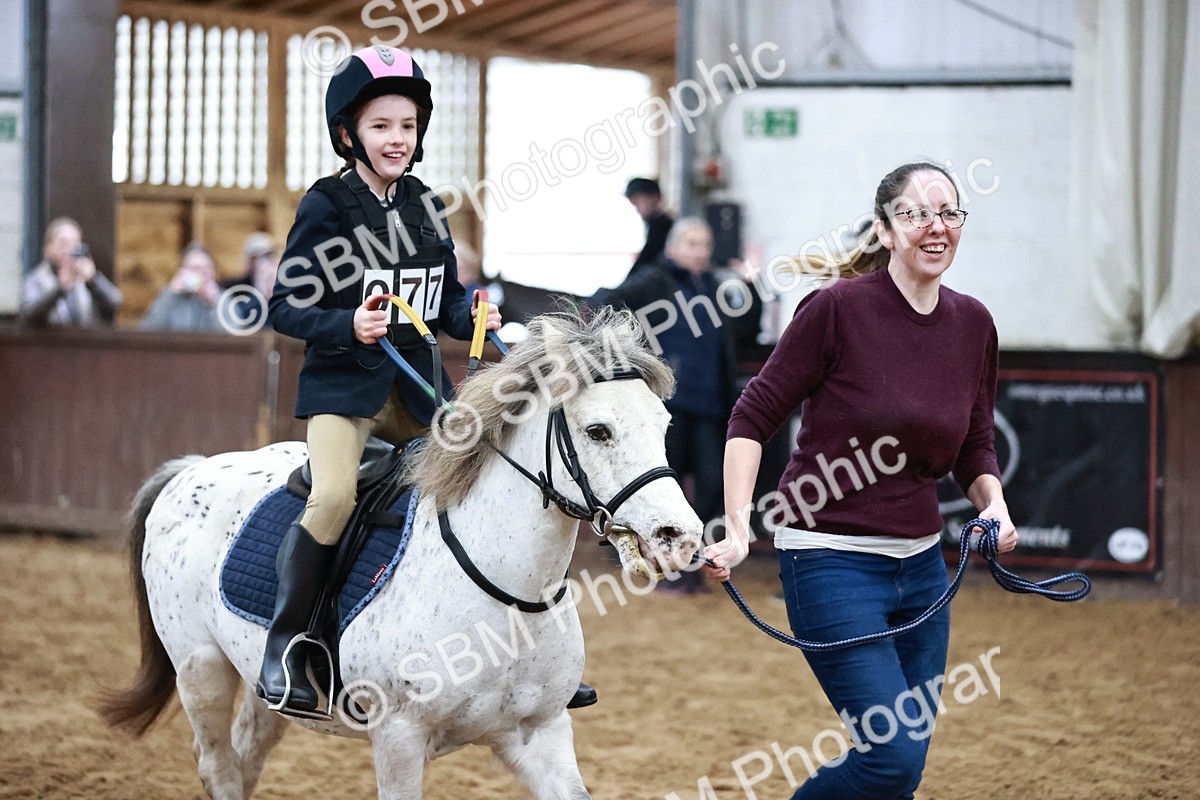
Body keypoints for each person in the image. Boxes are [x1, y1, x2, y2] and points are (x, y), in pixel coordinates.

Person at [703, 162, 1020, 799]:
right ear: (885, 228)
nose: (935, 227)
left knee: (899, 772)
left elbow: (977, 442)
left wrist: (996, 506)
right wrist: (738, 526)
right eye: (915, 214)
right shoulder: (836, 309)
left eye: (948, 213)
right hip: (830, 561)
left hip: (924, 571)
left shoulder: (974, 323)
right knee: (891, 761)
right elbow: (751, 416)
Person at [261, 44, 511, 717]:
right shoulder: (326, 206)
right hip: (348, 391)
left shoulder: (429, 204)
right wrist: (350, 326)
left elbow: (448, 306)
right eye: (381, 127)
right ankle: (287, 644)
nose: (397, 138)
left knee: (497, 482)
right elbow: (283, 306)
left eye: (406, 125)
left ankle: (510, 645)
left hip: (422, 390)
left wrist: (476, 313)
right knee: (336, 496)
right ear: (349, 134)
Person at [590, 217, 760, 593]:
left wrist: (750, 283)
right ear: (673, 247)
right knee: (661, 483)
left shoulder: (714, 284)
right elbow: (605, 303)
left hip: (712, 403)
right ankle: (651, 558)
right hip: (668, 405)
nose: (700, 252)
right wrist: (631, 358)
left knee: (713, 483)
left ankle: (685, 557)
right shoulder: (655, 280)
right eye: (692, 244)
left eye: (704, 245)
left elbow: (747, 326)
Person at [19, 217, 121, 327]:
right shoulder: (36, 280)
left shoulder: (85, 278)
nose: (69, 250)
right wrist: (59, 289)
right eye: (63, 244)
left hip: (83, 342)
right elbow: (28, 316)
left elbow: (115, 303)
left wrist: (93, 280)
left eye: (75, 244)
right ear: (47, 248)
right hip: (47, 342)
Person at [140, 243, 224, 332]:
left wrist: (214, 303)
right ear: (183, 271)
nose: (203, 273)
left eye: (207, 268)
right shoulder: (169, 296)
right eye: (196, 268)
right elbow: (148, 328)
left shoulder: (222, 298)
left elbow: (231, 336)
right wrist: (170, 295)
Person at [218, 232, 279, 331]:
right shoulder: (234, 289)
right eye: (256, 258)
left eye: (268, 257)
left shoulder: (287, 289)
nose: (262, 263)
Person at [625, 177, 674, 272]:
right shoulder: (655, 225)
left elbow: (646, 262)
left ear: (655, 198)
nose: (637, 209)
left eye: (637, 202)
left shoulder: (661, 227)